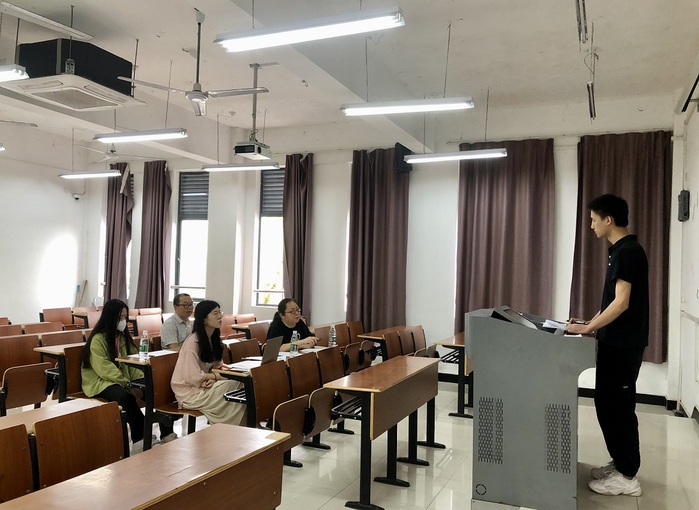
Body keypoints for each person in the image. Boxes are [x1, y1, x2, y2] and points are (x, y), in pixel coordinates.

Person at [566, 194, 648, 497]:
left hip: (623, 345)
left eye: (593, 219)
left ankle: (628, 476)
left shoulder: (627, 252)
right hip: (615, 343)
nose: (591, 225)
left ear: (608, 220)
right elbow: (612, 301)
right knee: (608, 405)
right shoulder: (621, 251)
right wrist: (590, 322)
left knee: (618, 409)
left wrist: (588, 328)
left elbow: (622, 303)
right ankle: (621, 464)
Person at [81, 299, 177, 451]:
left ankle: (167, 433)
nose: (123, 321)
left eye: (125, 317)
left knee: (155, 390)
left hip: (123, 380)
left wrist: (140, 381)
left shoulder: (123, 337)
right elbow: (104, 369)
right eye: (120, 317)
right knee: (126, 397)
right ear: (110, 317)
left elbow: (133, 362)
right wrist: (128, 384)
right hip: (100, 382)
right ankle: (140, 438)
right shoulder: (98, 339)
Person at [170, 300, 246, 425]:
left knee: (242, 384)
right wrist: (216, 377)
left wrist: (214, 379)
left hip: (204, 386)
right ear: (204, 319)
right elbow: (192, 377)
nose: (220, 316)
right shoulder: (193, 342)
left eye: (220, 312)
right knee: (234, 385)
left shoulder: (214, 339)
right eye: (215, 313)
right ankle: (234, 426)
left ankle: (238, 425)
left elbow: (218, 367)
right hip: (190, 394)